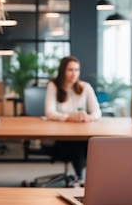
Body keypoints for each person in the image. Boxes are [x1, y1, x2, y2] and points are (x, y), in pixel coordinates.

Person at [44, 56, 102, 185]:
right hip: (60, 137)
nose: (74, 73)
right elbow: (49, 113)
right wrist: (70, 118)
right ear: (62, 70)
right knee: (77, 143)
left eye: (77, 69)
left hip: (82, 133)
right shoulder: (53, 86)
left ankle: (81, 177)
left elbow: (97, 112)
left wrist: (88, 117)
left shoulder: (85, 87)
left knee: (87, 142)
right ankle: (80, 177)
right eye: (70, 69)